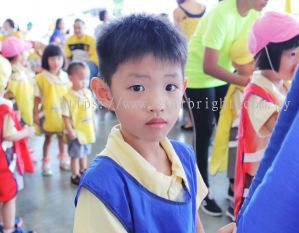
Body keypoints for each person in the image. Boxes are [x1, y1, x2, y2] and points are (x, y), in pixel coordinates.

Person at [74, 14, 207, 233]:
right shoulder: (102, 187)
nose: (157, 105)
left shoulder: (184, 157)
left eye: (170, 87)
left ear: (183, 89)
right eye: (137, 88)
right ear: (104, 93)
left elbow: (193, 224)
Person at [185, 0, 267, 216]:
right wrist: (246, 81)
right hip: (198, 78)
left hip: (226, 75)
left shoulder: (253, 14)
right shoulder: (222, 14)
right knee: (204, 133)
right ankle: (202, 192)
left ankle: (234, 188)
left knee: (234, 129)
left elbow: (248, 52)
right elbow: (208, 65)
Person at [233, 11, 299, 218]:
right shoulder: (255, 97)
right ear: (268, 56)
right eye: (292, 54)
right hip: (260, 182)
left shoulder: (283, 85)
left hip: (278, 176)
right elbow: (285, 127)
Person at [209, 38, 255, 219]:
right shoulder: (237, 87)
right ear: (236, 63)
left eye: (254, 60)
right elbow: (241, 113)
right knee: (238, 171)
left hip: (243, 135)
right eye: (249, 62)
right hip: (238, 136)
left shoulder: (246, 82)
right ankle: (233, 207)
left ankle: (231, 193)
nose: (254, 65)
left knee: (238, 172)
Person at [0, 50, 35, 233]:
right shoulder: (4, 106)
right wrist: (26, 132)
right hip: (2, 163)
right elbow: (8, 135)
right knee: (8, 196)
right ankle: (8, 228)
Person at [33, 44, 71, 176]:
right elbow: (36, 99)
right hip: (48, 115)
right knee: (48, 140)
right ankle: (46, 163)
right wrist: (35, 114)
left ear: (63, 59)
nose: (56, 62)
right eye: (52, 59)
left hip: (63, 115)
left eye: (59, 59)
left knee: (62, 139)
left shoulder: (66, 76)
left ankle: (63, 159)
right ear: (46, 60)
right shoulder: (41, 78)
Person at [173, 0, 206, 131]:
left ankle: (189, 120)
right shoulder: (204, 8)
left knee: (186, 87)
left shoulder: (178, 11)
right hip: (203, 53)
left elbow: (177, 36)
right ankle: (206, 118)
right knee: (203, 87)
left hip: (186, 55)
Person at [62, 62, 96, 185]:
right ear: (71, 78)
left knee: (85, 152)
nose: (84, 82)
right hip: (76, 132)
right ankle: (75, 174)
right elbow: (65, 116)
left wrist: (94, 124)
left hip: (86, 130)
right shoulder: (67, 97)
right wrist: (69, 130)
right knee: (75, 154)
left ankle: (83, 170)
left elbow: (92, 111)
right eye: (81, 79)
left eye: (86, 78)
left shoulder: (88, 93)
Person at [1, 36, 35, 126]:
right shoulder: (18, 77)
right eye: (23, 52)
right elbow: (24, 101)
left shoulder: (5, 69)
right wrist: (29, 120)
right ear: (17, 56)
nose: (25, 54)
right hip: (19, 116)